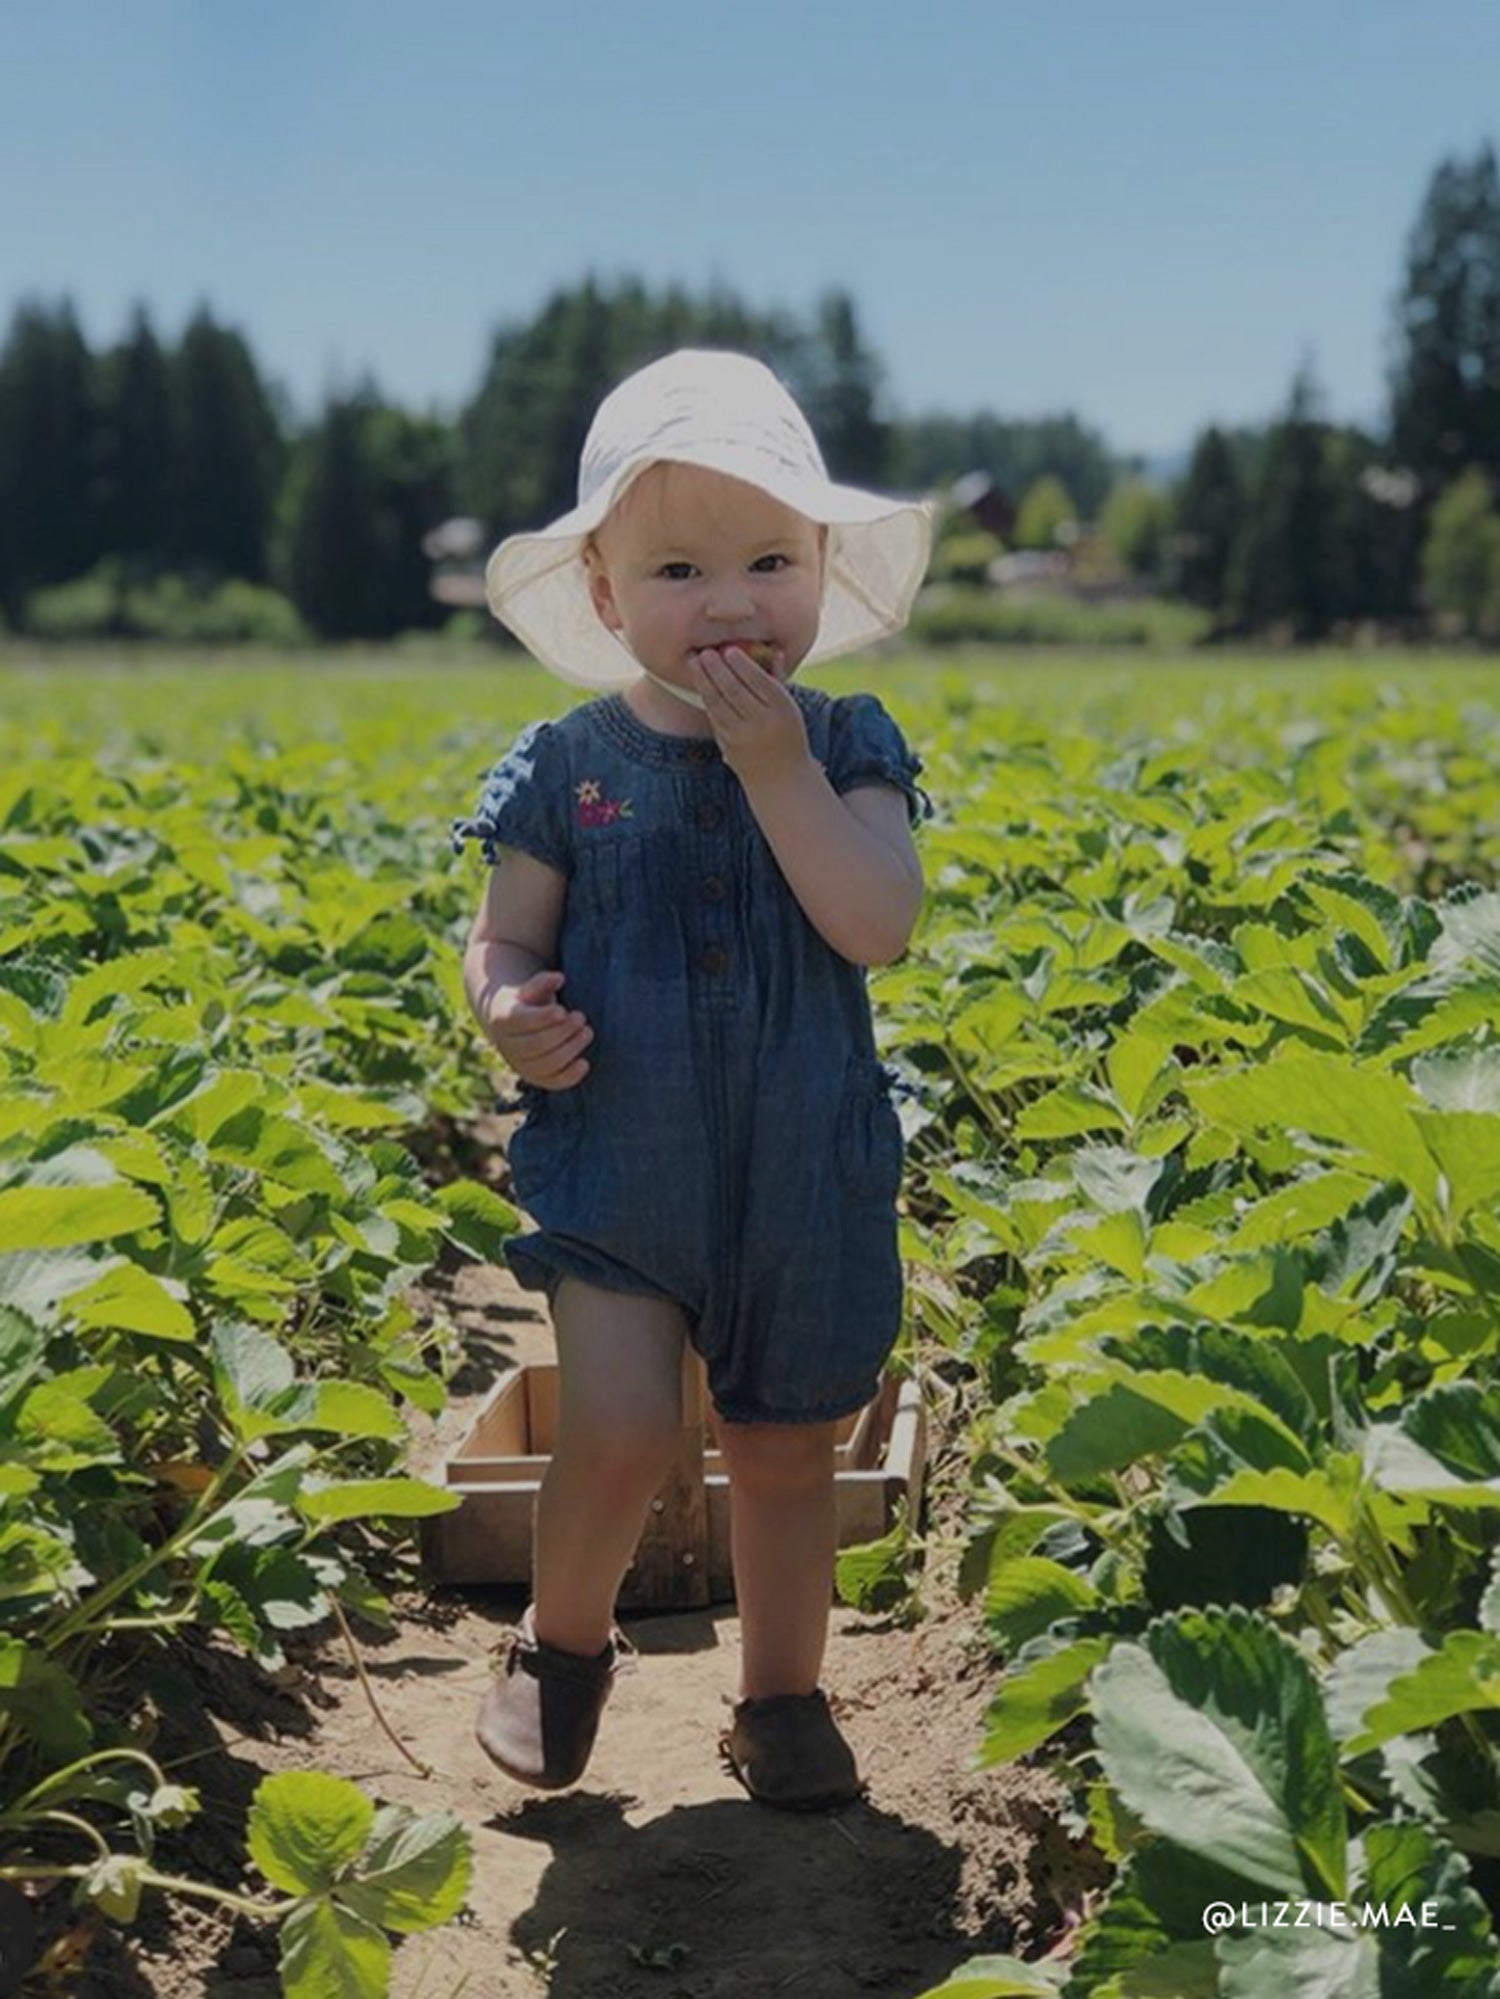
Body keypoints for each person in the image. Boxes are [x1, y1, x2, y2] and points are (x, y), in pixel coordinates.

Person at [451, 348, 934, 1811]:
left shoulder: (846, 743)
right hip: (620, 1154)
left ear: (824, 566)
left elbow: (878, 923)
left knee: (785, 1446)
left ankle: (781, 1697)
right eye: (678, 570)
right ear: (604, 595)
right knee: (619, 1427)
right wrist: (506, 1010)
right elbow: (503, 936)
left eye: (769, 560)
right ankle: (563, 1643)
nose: (730, 603)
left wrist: (778, 770)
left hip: (803, 1161)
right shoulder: (565, 767)